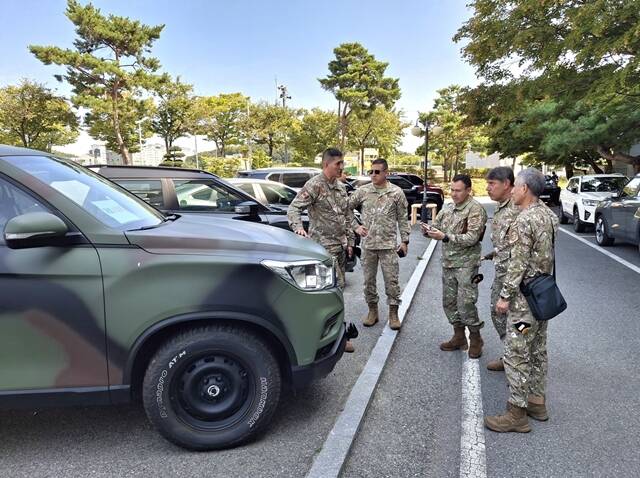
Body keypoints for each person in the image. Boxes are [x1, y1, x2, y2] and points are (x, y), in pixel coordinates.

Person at [484, 168, 559, 433]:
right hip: (542, 297)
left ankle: (516, 414)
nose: (513, 190)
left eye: (515, 186)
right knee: (538, 349)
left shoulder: (524, 219)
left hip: (523, 305)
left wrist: (505, 297)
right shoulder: (549, 216)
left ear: (525, 189)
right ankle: (537, 403)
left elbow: (518, 263)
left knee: (517, 353)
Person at [288, 147, 356, 352]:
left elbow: (346, 215)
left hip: (340, 248)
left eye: (342, 163)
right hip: (322, 251)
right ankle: (328, 337)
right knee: (325, 295)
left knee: (339, 291)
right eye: (338, 164)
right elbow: (293, 208)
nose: (341, 167)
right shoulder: (315, 185)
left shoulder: (340, 187)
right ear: (326, 165)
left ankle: (338, 335)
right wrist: (299, 228)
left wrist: (350, 240)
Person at [422, 174, 488, 358]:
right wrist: (428, 231)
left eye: (458, 190)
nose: (454, 194)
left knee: (466, 304)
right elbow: (437, 226)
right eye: (452, 189)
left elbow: (472, 238)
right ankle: (459, 337)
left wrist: (445, 237)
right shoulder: (449, 209)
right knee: (449, 303)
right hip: (449, 263)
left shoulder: (475, 210)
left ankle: (476, 338)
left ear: (468, 190)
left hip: (466, 265)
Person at [349, 158, 410, 330]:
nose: (373, 175)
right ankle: (372, 311)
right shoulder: (363, 191)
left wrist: (405, 241)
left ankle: (393, 313)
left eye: (377, 172)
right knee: (368, 282)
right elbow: (347, 208)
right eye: (371, 171)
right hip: (368, 246)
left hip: (388, 246)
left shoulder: (396, 193)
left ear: (386, 173)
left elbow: (403, 219)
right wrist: (356, 226)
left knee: (392, 281)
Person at [483, 167, 519, 371]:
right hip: (502, 273)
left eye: (492, 184)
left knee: (519, 321)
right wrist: (490, 255)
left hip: (515, 277)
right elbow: (504, 244)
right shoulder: (501, 207)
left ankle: (519, 358)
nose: (488, 188)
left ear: (506, 184)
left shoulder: (517, 208)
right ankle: (510, 354)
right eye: (487, 184)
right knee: (498, 315)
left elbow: (521, 249)